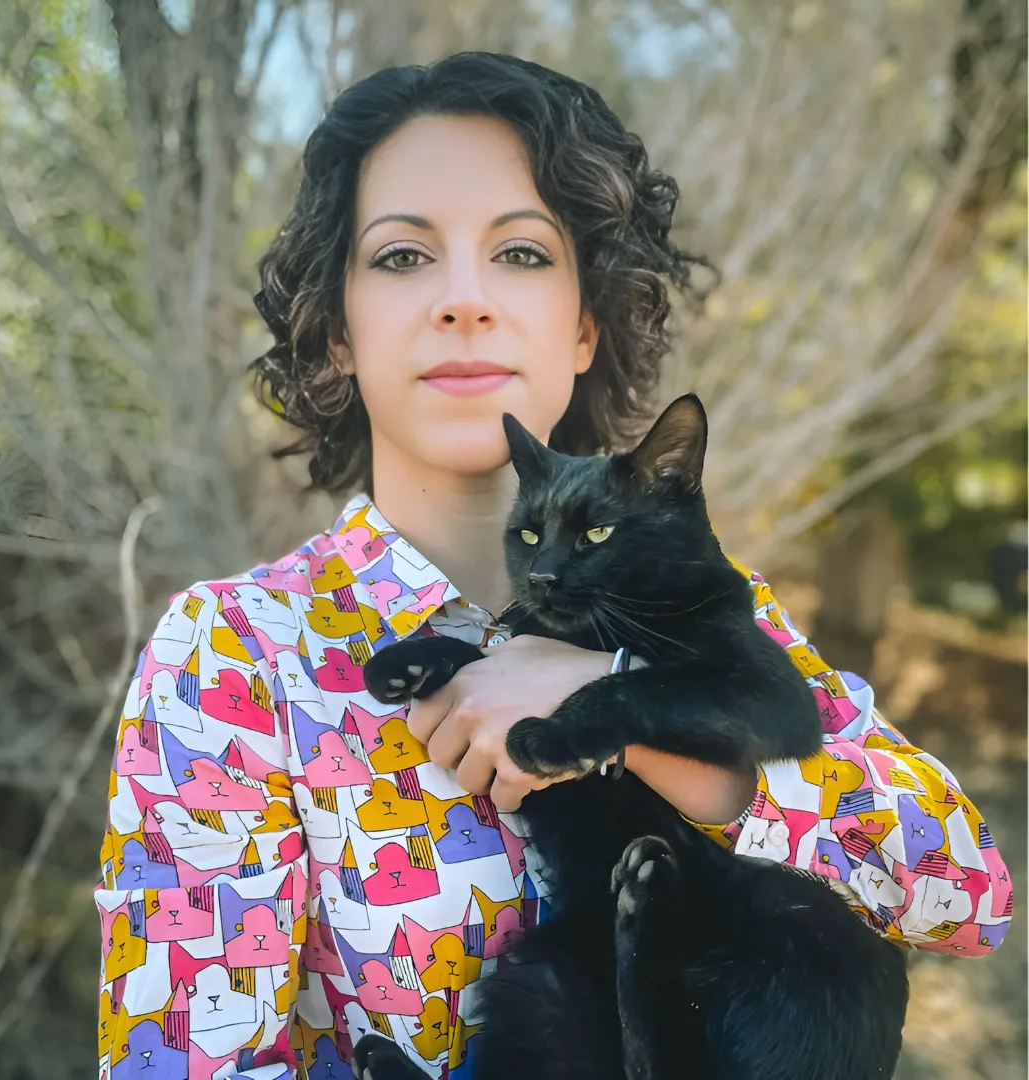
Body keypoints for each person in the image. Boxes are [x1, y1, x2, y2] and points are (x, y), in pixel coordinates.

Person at [94, 52, 1012, 1080]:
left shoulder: (704, 611)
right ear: (339, 331)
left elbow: (966, 894)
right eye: (402, 258)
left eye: (522, 254)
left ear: (582, 329)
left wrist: (627, 706)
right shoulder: (237, 655)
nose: (465, 300)